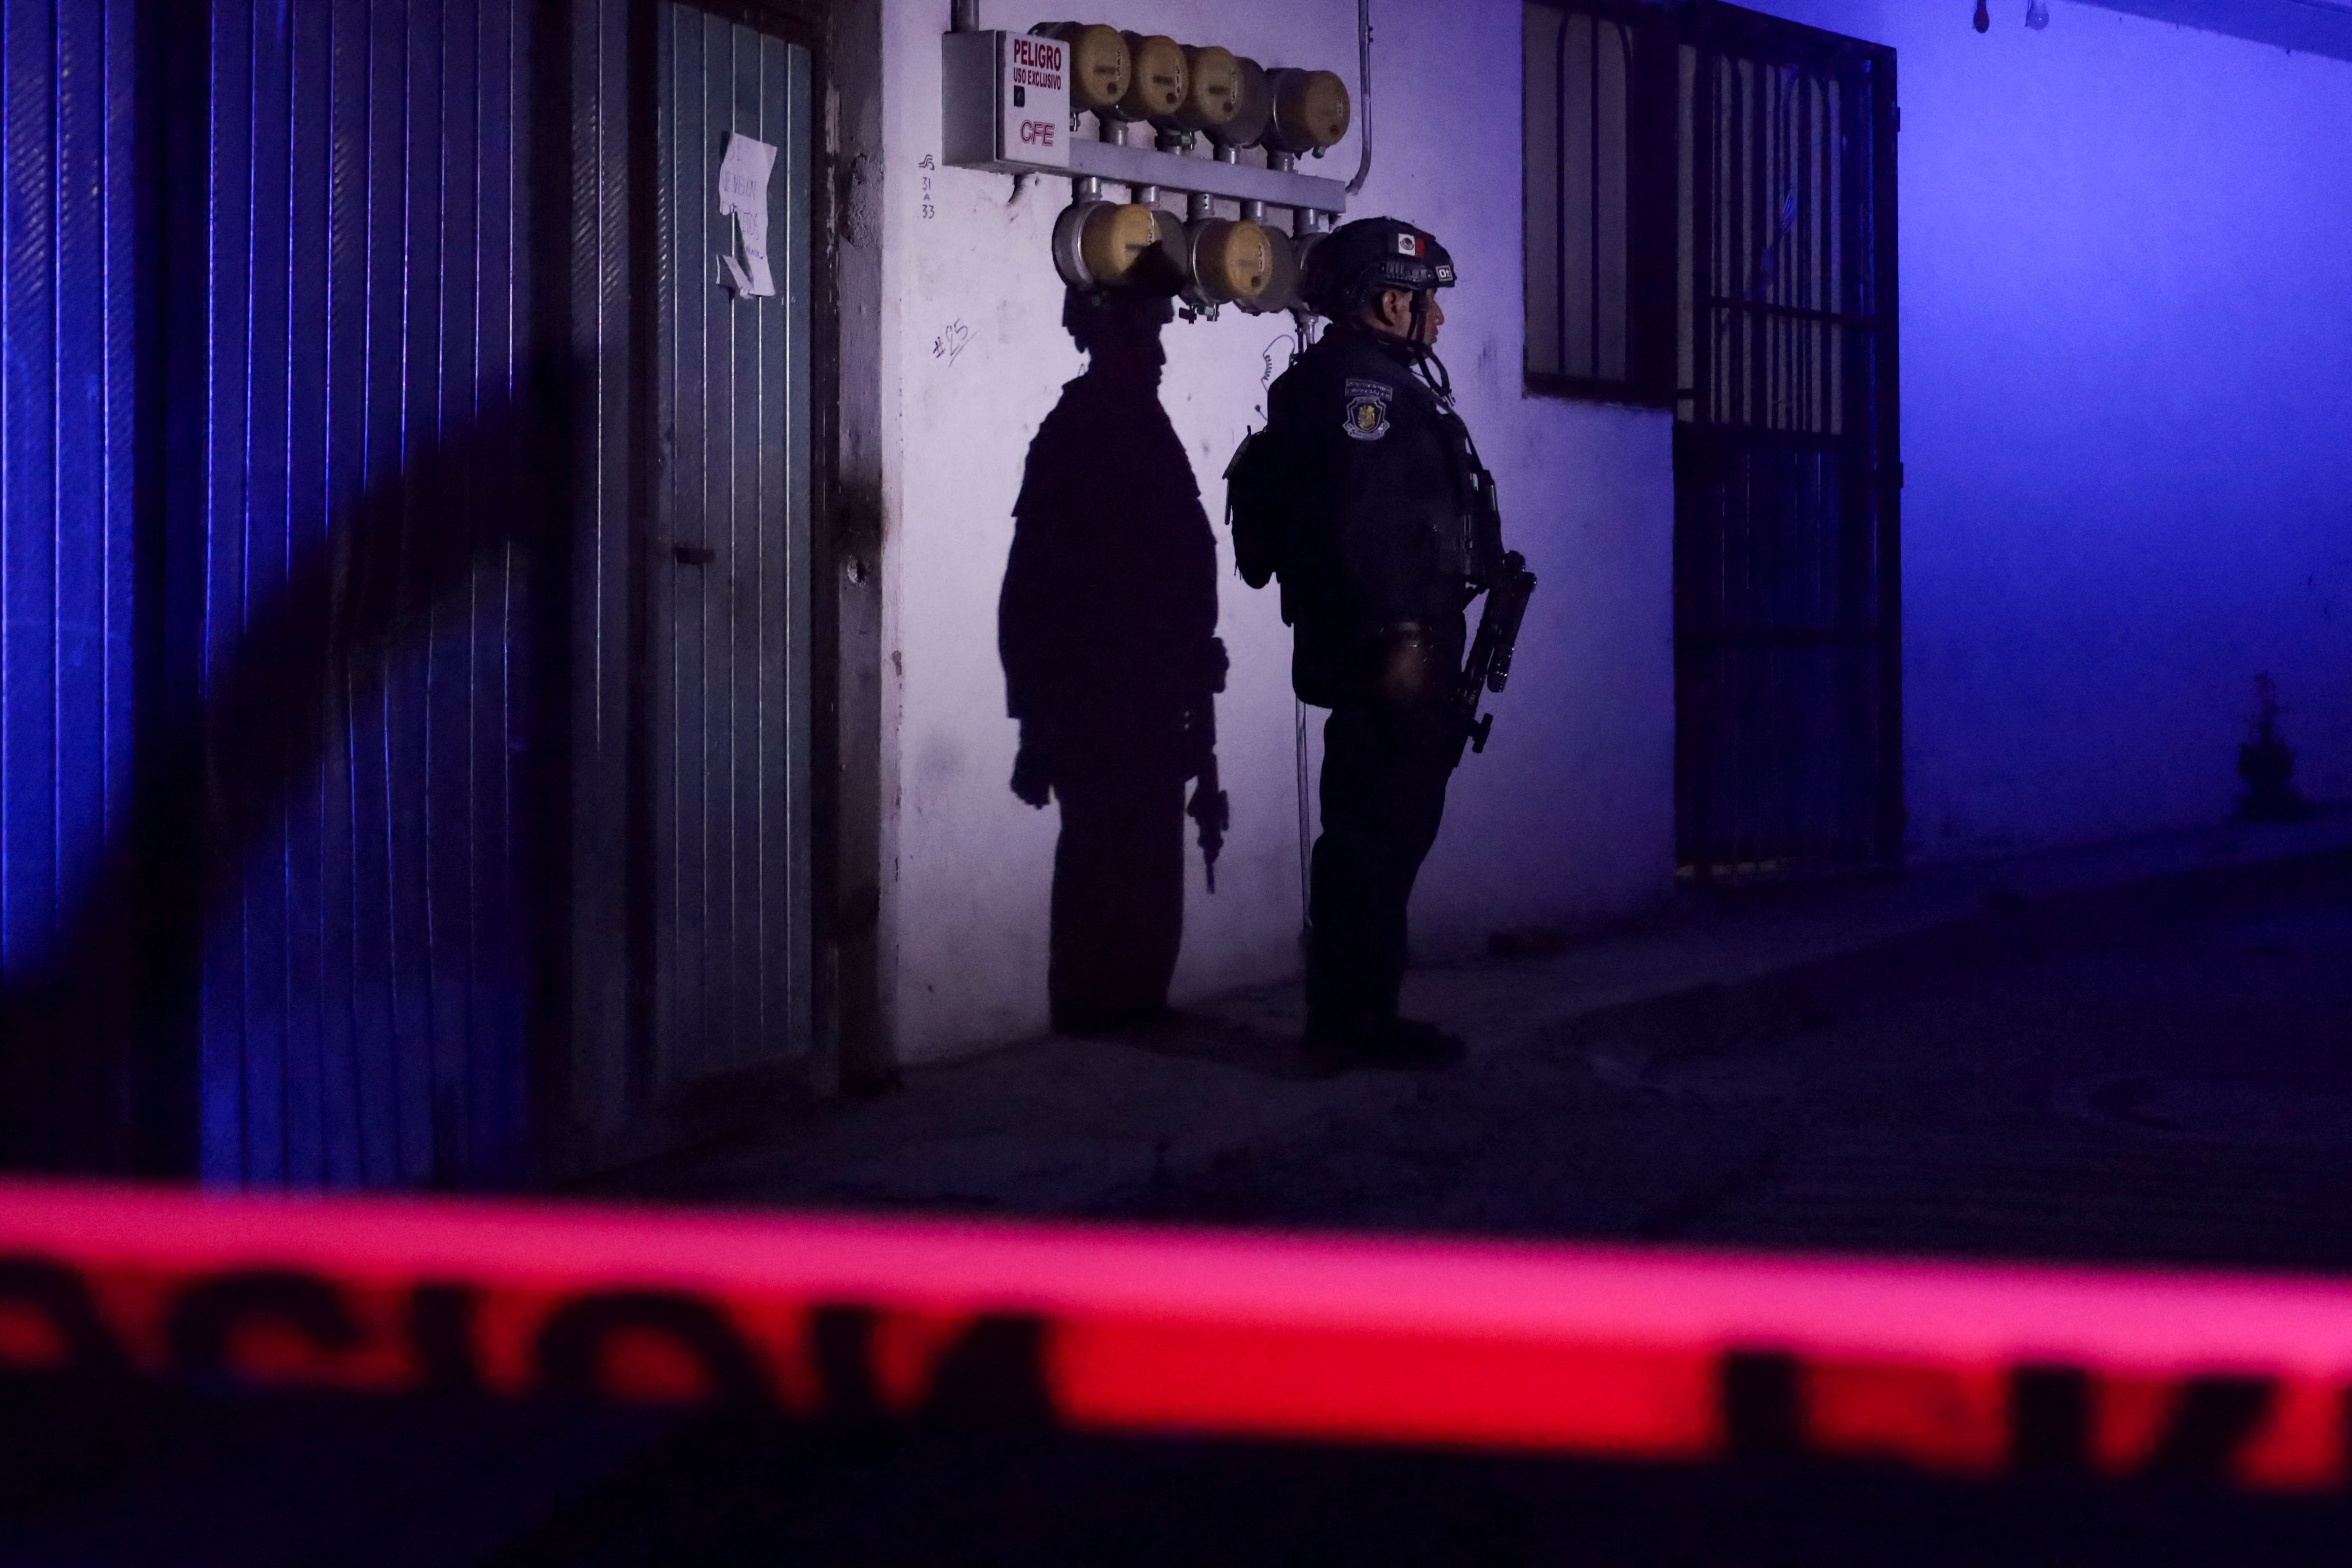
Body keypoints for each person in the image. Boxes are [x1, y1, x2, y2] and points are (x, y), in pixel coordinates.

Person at [1229, 217, 1506, 1071]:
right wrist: (1403, 636)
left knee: (1383, 833)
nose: (1439, 319)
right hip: (1391, 648)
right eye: (1428, 301)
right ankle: (1350, 1023)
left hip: (1396, 644)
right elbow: (1370, 522)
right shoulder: (1366, 392)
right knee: (1373, 838)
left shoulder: (1365, 379)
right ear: (1391, 301)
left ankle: (1358, 1014)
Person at [1000, 288, 1226, 1034]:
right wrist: (1037, 720)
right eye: (1142, 336)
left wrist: (1193, 659)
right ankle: (1100, 1022)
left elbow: (1181, 564)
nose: (1158, 355)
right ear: (1103, 340)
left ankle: (1127, 1015)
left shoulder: (1134, 424)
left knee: (1144, 865)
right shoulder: (1084, 431)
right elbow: (1033, 589)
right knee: (1111, 863)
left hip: (1150, 693)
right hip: (1103, 698)